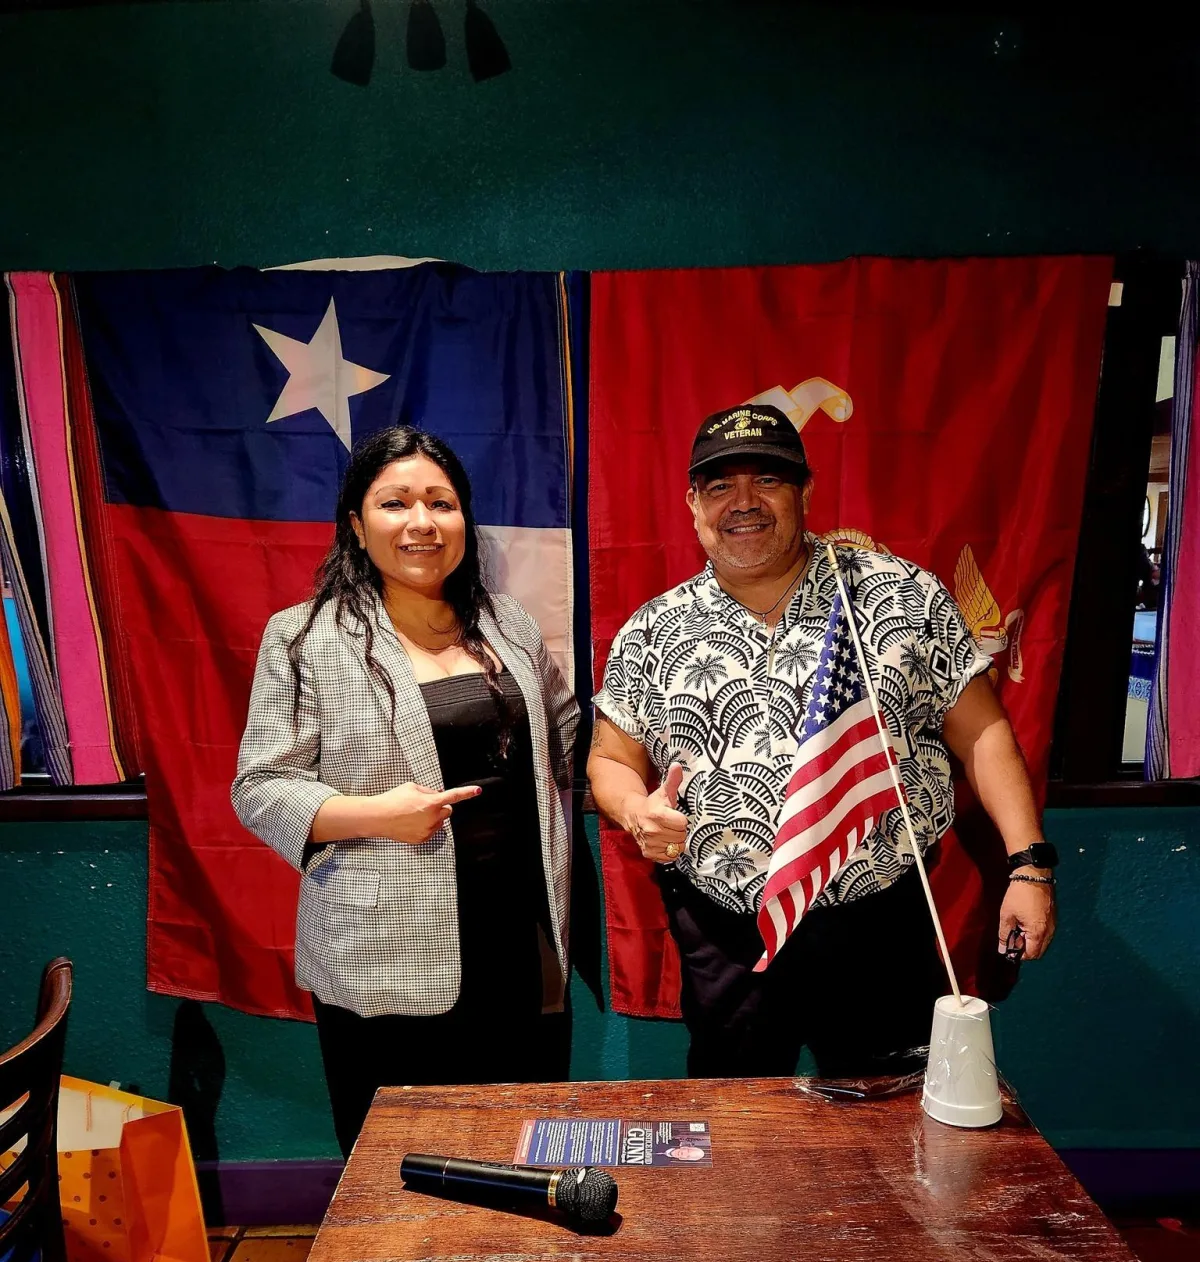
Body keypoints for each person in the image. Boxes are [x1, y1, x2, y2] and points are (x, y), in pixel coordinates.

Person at [588, 402, 1057, 1078]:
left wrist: (1029, 864)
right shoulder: (653, 628)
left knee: (893, 1131)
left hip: (879, 924)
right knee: (741, 1131)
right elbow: (610, 759)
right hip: (728, 931)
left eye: (767, 480)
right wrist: (636, 811)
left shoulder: (899, 596)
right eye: (720, 486)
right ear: (693, 503)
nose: (742, 502)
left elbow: (982, 730)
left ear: (805, 492)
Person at [233, 425, 579, 1154]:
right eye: (396, 504)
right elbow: (261, 786)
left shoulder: (506, 623)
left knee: (519, 1148)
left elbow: (567, 736)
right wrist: (377, 816)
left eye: (441, 503)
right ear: (357, 527)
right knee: (401, 1169)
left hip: (516, 947)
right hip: (386, 956)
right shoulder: (302, 639)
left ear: (465, 521)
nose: (422, 522)